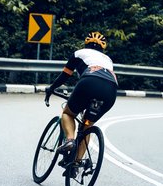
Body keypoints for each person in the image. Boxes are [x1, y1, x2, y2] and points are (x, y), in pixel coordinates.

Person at [44, 31, 118, 174]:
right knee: (87, 125)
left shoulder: (79, 53)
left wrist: (51, 88)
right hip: (111, 90)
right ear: (102, 48)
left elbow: (65, 75)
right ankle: (76, 164)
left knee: (68, 113)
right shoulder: (108, 60)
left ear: (86, 44)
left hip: (88, 83)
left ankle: (70, 140)